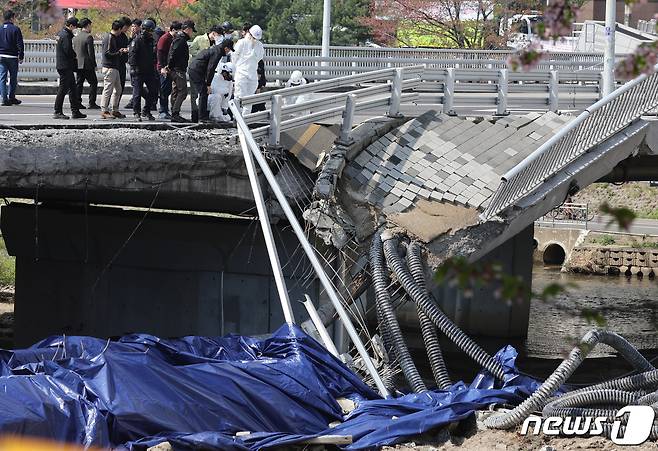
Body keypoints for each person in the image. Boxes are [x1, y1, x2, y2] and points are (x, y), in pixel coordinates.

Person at [188, 38, 233, 123]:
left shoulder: (216, 49)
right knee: (203, 92)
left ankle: (201, 116)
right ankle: (202, 117)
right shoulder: (218, 52)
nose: (228, 52)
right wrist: (208, 84)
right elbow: (211, 68)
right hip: (196, 70)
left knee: (203, 92)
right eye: (229, 50)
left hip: (196, 69)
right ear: (226, 48)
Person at [187, 24, 222, 123]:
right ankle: (195, 114)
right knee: (195, 93)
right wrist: (203, 54)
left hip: (206, 70)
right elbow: (191, 50)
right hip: (196, 68)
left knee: (205, 92)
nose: (219, 37)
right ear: (213, 33)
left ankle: (204, 113)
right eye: (218, 34)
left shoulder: (216, 43)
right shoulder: (200, 38)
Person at [54, 17, 85, 119]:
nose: (76, 29)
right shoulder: (66, 36)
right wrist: (74, 55)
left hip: (63, 65)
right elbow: (68, 50)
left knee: (73, 89)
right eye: (76, 26)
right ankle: (57, 111)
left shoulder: (61, 33)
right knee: (63, 89)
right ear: (71, 26)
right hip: (65, 65)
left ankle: (75, 111)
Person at [164, 19, 195, 122]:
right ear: (187, 29)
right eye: (191, 30)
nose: (191, 33)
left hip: (176, 68)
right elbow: (173, 54)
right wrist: (170, 66)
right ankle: (175, 113)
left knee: (176, 90)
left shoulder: (180, 39)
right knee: (183, 91)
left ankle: (174, 112)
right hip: (177, 69)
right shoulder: (180, 39)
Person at [128, 18, 158, 121]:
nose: (151, 33)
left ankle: (147, 110)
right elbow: (132, 56)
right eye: (150, 31)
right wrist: (134, 68)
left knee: (153, 91)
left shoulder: (151, 41)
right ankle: (136, 112)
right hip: (138, 71)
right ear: (144, 30)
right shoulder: (136, 41)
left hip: (149, 70)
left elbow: (153, 55)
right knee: (137, 93)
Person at [232, 24, 264, 116]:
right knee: (239, 96)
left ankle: (244, 120)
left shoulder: (259, 45)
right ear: (249, 34)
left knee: (249, 99)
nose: (254, 39)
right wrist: (236, 69)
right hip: (241, 73)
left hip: (252, 74)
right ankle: (237, 118)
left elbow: (259, 58)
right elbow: (234, 57)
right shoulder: (241, 43)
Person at [100, 20, 128, 119]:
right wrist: (119, 52)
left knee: (118, 89)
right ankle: (104, 110)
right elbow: (107, 53)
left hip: (114, 67)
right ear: (119, 29)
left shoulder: (113, 37)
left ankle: (115, 109)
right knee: (108, 89)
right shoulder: (109, 37)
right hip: (109, 67)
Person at [156, 20, 181, 120]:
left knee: (167, 90)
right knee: (164, 90)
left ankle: (166, 110)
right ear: (173, 30)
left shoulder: (173, 38)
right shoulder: (165, 38)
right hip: (163, 68)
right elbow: (160, 53)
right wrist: (162, 67)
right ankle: (163, 110)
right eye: (178, 31)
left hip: (169, 68)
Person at [72, 18, 99, 109]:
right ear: (87, 25)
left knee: (79, 83)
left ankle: (77, 102)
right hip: (87, 64)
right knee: (93, 83)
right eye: (90, 25)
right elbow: (91, 53)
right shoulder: (88, 37)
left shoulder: (76, 37)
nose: (91, 27)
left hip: (78, 63)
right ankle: (92, 102)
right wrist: (94, 64)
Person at [0, 9, 24, 107]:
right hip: (12, 57)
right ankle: (11, 97)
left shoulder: (0, 28)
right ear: (11, 18)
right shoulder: (15, 29)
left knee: (2, 77)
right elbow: (20, 44)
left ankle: (4, 99)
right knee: (13, 78)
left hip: (1, 56)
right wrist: (21, 55)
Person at [116, 17, 131, 104]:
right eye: (127, 27)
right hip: (115, 64)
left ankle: (116, 105)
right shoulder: (114, 36)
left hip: (122, 64)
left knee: (121, 86)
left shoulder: (124, 37)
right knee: (114, 87)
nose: (127, 29)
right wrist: (122, 50)